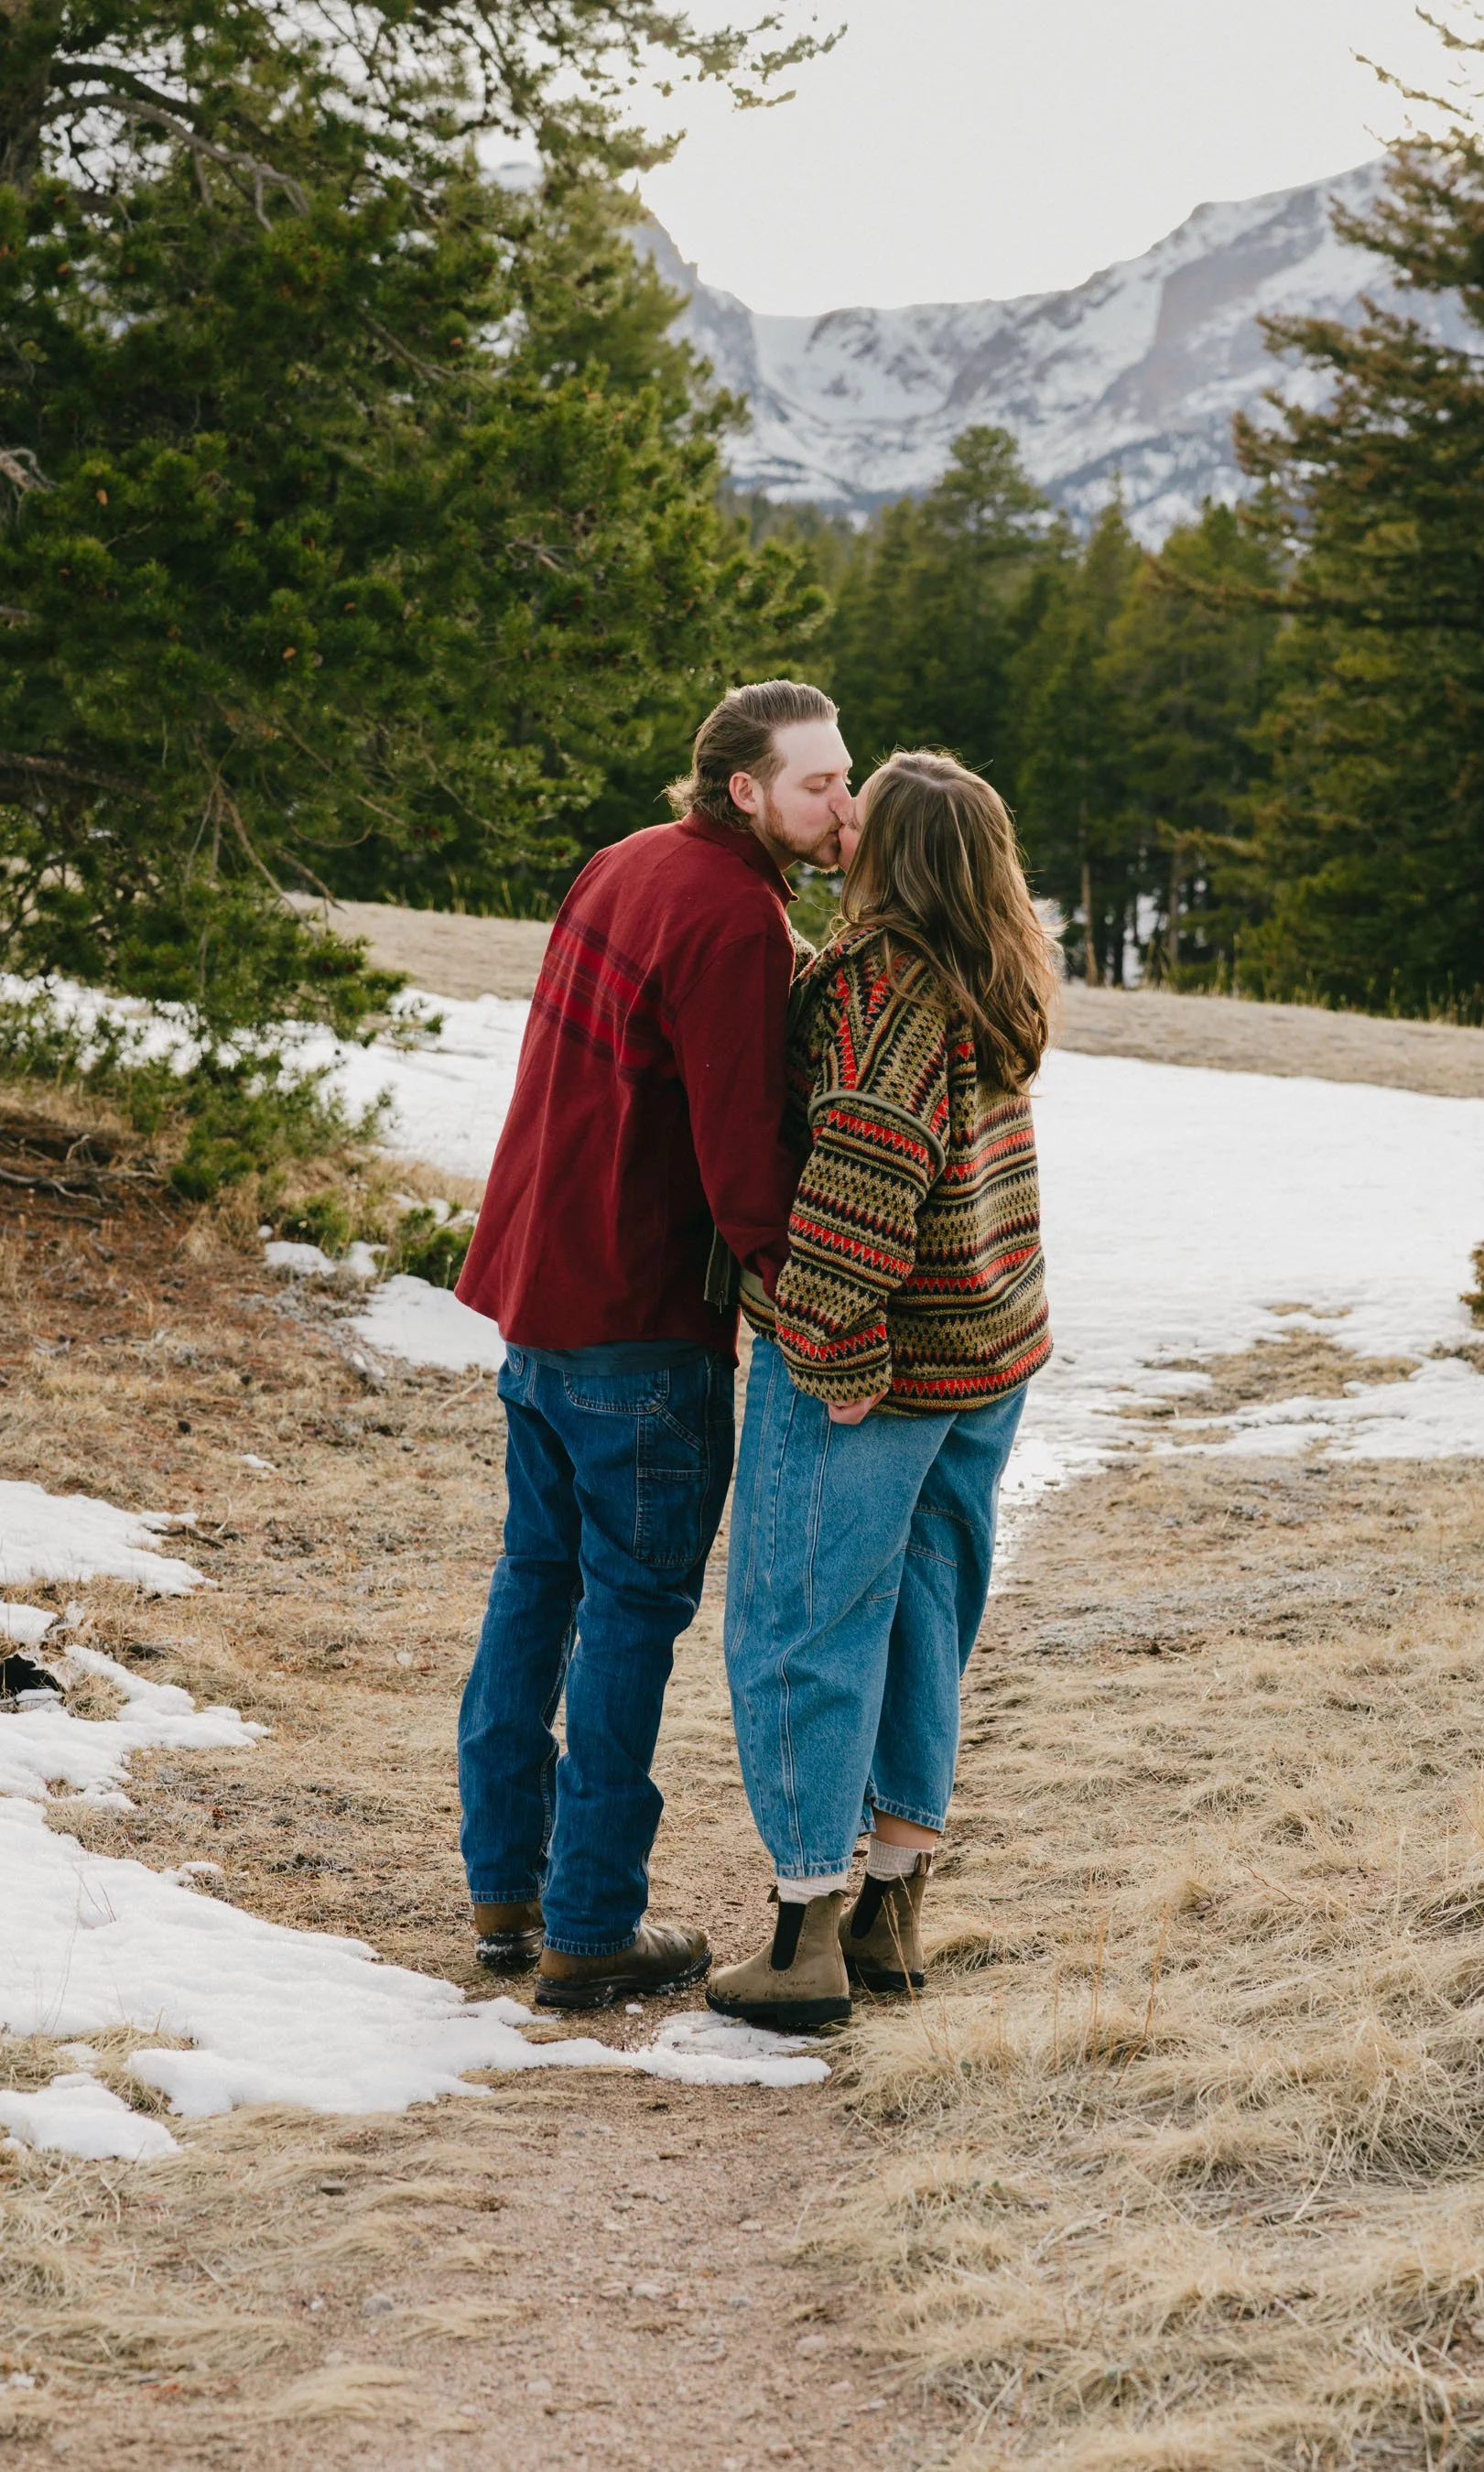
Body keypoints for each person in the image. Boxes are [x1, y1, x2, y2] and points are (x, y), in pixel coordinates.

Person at [453, 679, 853, 2009]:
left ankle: (505, 1894)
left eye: (847, 780)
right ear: (745, 788)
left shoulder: (623, 862)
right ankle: (591, 1930)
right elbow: (744, 1164)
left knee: (535, 1582)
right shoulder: (738, 917)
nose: (842, 805)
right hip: (637, 1322)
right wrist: (809, 1304)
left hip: (541, 1294)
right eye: (818, 785)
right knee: (628, 1614)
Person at [707, 750, 1055, 2030]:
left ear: (897, 855)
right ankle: (894, 1912)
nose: (842, 819)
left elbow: (863, 1191)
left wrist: (833, 1356)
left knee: (802, 1621)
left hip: (886, 1367)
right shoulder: (996, 968)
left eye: (867, 811)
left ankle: (803, 1938)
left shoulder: (888, 991)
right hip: (989, 1356)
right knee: (924, 1621)